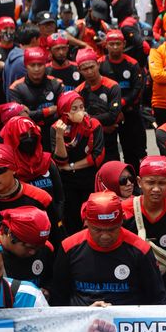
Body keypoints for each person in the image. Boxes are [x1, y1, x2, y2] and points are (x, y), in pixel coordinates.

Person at [51, 191, 166, 305]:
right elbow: (58, 299)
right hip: (82, 322)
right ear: (87, 223)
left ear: (121, 222)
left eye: (112, 229)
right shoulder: (69, 248)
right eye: (98, 229)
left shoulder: (140, 250)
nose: (105, 236)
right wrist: (86, 314)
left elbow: (158, 299)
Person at [122, 156, 166, 302]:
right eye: (150, 182)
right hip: (132, 280)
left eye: (162, 183)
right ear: (140, 182)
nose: (156, 189)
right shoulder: (124, 210)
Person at [51, 91, 105, 234]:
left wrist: (72, 166)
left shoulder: (93, 125)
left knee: (91, 215)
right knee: (72, 219)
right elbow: (60, 160)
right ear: (64, 111)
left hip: (89, 178)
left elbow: (97, 156)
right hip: (68, 182)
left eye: (81, 107)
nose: (80, 111)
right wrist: (60, 137)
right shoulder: (56, 128)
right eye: (74, 108)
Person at [99, 29, 146, 168]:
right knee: (110, 153)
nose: (114, 47)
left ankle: (135, 183)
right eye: (111, 44)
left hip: (130, 113)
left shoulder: (132, 64)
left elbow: (138, 89)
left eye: (118, 44)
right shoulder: (100, 64)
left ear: (124, 44)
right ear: (106, 45)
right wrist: (112, 111)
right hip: (108, 115)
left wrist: (121, 104)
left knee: (132, 151)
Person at [8, 47, 64, 144]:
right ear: (26, 65)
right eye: (32, 65)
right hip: (28, 137)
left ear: (45, 65)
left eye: (40, 64)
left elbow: (63, 110)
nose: (36, 69)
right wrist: (48, 111)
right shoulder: (16, 88)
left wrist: (33, 114)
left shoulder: (57, 83)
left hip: (55, 135)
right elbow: (20, 118)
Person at [76, 48, 123, 163]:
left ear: (98, 64)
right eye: (85, 69)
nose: (89, 71)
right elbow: (77, 119)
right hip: (89, 140)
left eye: (91, 67)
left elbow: (113, 115)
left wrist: (88, 119)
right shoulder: (78, 92)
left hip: (110, 139)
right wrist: (101, 127)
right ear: (79, 70)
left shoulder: (112, 86)